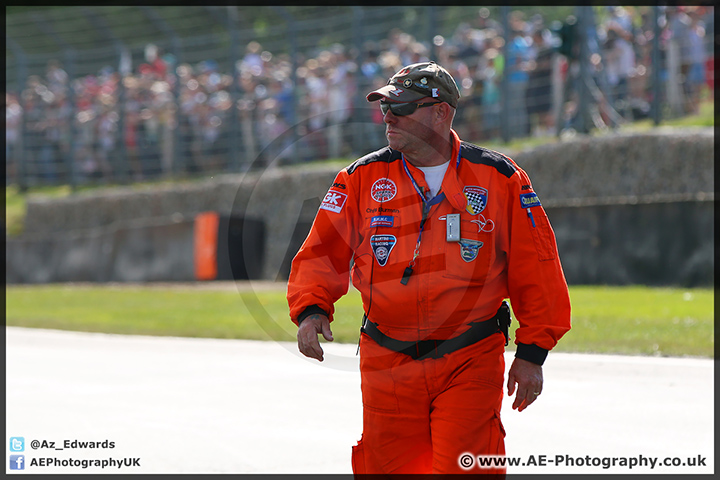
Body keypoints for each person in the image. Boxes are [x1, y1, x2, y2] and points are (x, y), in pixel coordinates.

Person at [287, 61, 571, 475]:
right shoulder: (360, 177)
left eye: (401, 107)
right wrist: (312, 309)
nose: (388, 116)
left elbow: (538, 266)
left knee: (467, 467)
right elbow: (321, 253)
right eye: (385, 107)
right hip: (386, 358)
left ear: (440, 112)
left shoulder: (501, 178)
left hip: (469, 355)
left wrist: (533, 353)